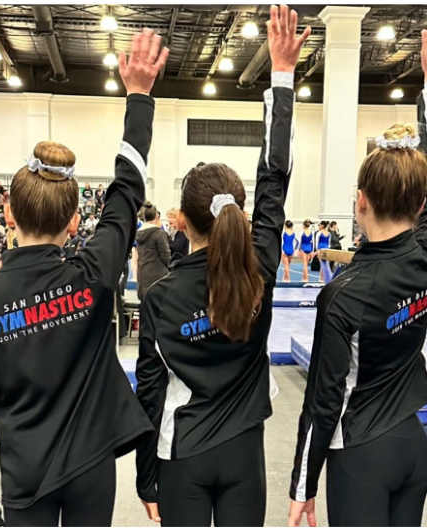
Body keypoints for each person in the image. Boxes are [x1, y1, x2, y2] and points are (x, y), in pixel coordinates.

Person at [0, 28, 167, 527]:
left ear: (8, 212)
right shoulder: (94, 275)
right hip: (92, 470)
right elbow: (127, 191)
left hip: (25, 477)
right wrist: (138, 96)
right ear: (74, 222)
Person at [288, 12, 427, 527]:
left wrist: (303, 485)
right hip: (412, 448)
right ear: (419, 206)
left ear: (360, 202)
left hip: (363, 454)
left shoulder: (344, 295)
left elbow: (324, 399)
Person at [135, 7, 307, 525]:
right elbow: (275, 179)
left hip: (183, 454)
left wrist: (146, 477)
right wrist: (282, 76)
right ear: (241, 214)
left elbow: (150, 390)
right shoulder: (259, 272)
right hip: (243, 455)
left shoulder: (161, 297)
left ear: (182, 222)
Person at [136, 201, 170, 300]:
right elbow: (166, 256)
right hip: (157, 277)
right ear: (157, 216)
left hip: (143, 275)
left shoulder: (139, 233)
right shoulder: (159, 234)